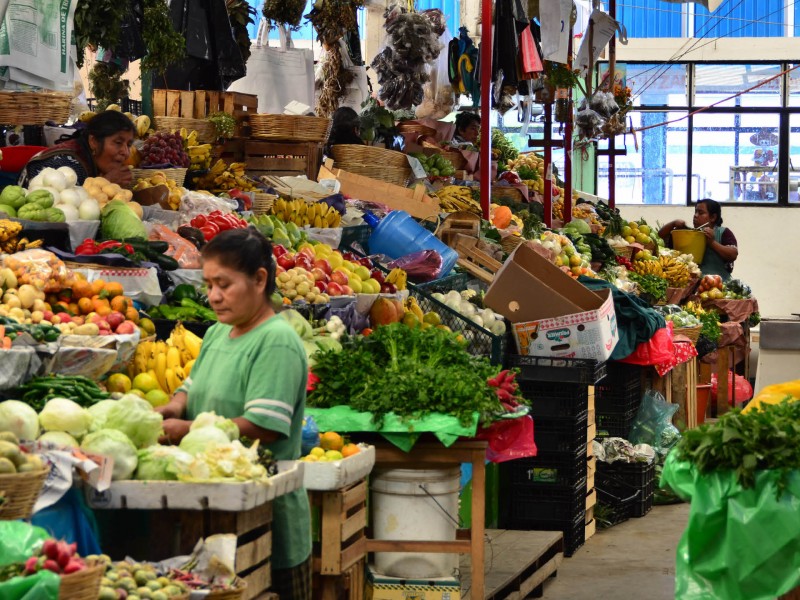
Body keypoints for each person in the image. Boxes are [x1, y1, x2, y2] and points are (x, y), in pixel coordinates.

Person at [156, 228, 311, 600]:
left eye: (223, 284)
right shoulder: (216, 334)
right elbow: (191, 387)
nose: (213, 296)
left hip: (266, 526)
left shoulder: (277, 340)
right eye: (208, 285)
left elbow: (264, 426)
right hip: (217, 518)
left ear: (259, 280)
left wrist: (184, 428)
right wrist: (174, 406)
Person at [19, 110, 134, 188]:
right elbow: (68, 211)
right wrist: (104, 184)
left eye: (128, 145)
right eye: (118, 142)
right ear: (93, 141)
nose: (125, 152)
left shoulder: (88, 161)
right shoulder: (67, 166)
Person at [658, 199, 738, 280]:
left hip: (719, 285)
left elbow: (733, 254)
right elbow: (660, 236)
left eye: (700, 213)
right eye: (695, 212)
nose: (695, 215)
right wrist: (673, 223)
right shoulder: (687, 234)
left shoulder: (723, 232)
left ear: (713, 217)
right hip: (691, 285)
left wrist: (712, 242)